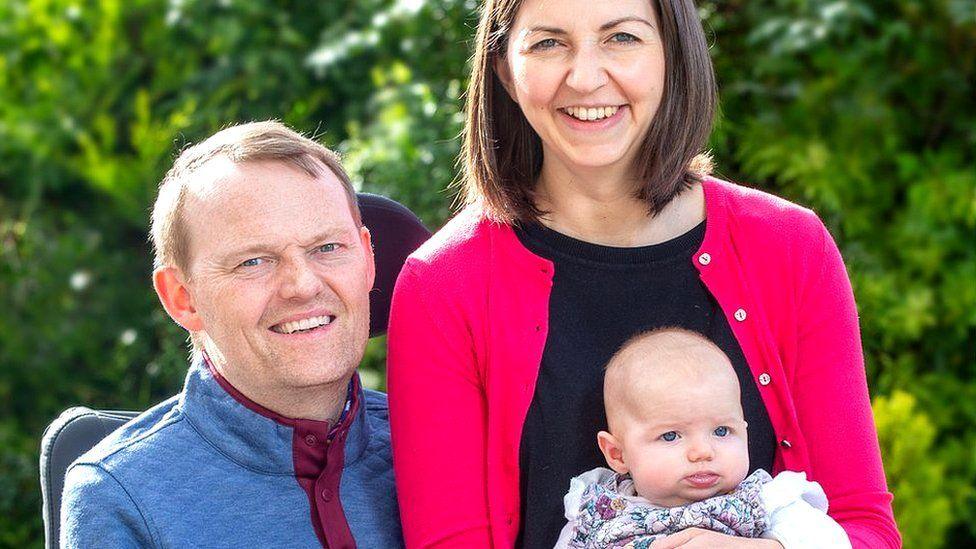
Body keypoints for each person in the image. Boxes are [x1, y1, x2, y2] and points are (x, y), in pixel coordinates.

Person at [386, 0, 900, 547]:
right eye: (547, 43)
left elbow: (864, 525)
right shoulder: (443, 285)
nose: (585, 78)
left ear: (672, 55)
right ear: (505, 74)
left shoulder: (790, 249)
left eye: (622, 38)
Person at [60, 121, 403, 548]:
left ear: (368, 260)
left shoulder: (437, 448)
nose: (303, 285)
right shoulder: (122, 499)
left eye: (327, 248)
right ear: (183, 298)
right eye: (254, 261)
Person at [555, 328, 851, 548]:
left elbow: (833, 542)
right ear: (617, 454)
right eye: (671, 436)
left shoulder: (765, 501)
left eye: (722, 431)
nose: (702, 452)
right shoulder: (594, 511)